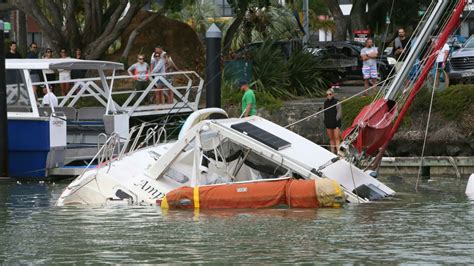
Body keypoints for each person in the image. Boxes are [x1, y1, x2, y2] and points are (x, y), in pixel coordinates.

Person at [323, 88, 342, 154]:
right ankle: (332, 152)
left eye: (330, 94)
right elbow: (325, 113)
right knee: (331, 138)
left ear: (333, 94)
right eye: (327, 94)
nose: (328, 96)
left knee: (336, 138)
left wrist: (336, 122)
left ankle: (338, 152)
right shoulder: (325, 103)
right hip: (328, 123)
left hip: (335, 123)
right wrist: (325, 121)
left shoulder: (337, 102)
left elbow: (339, 114)